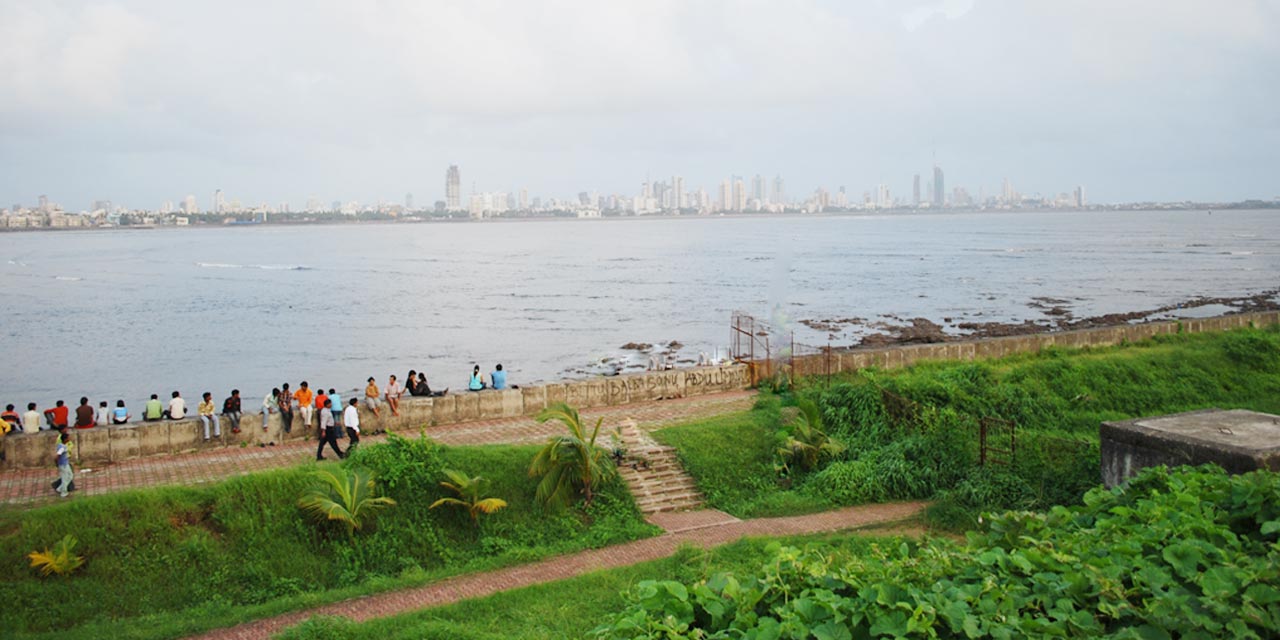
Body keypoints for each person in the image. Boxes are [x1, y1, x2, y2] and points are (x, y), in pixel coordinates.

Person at [54, 431, 74, 498]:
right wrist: (57, 463)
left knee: (70, 475)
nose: (69, 439)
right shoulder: (62, 447)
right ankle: (63, 493)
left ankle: (60, 489)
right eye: (68, 438)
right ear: (65, 439)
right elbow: (57, 456)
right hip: (63, 465)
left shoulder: (61, 445)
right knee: (65, 478)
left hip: (65, 463)